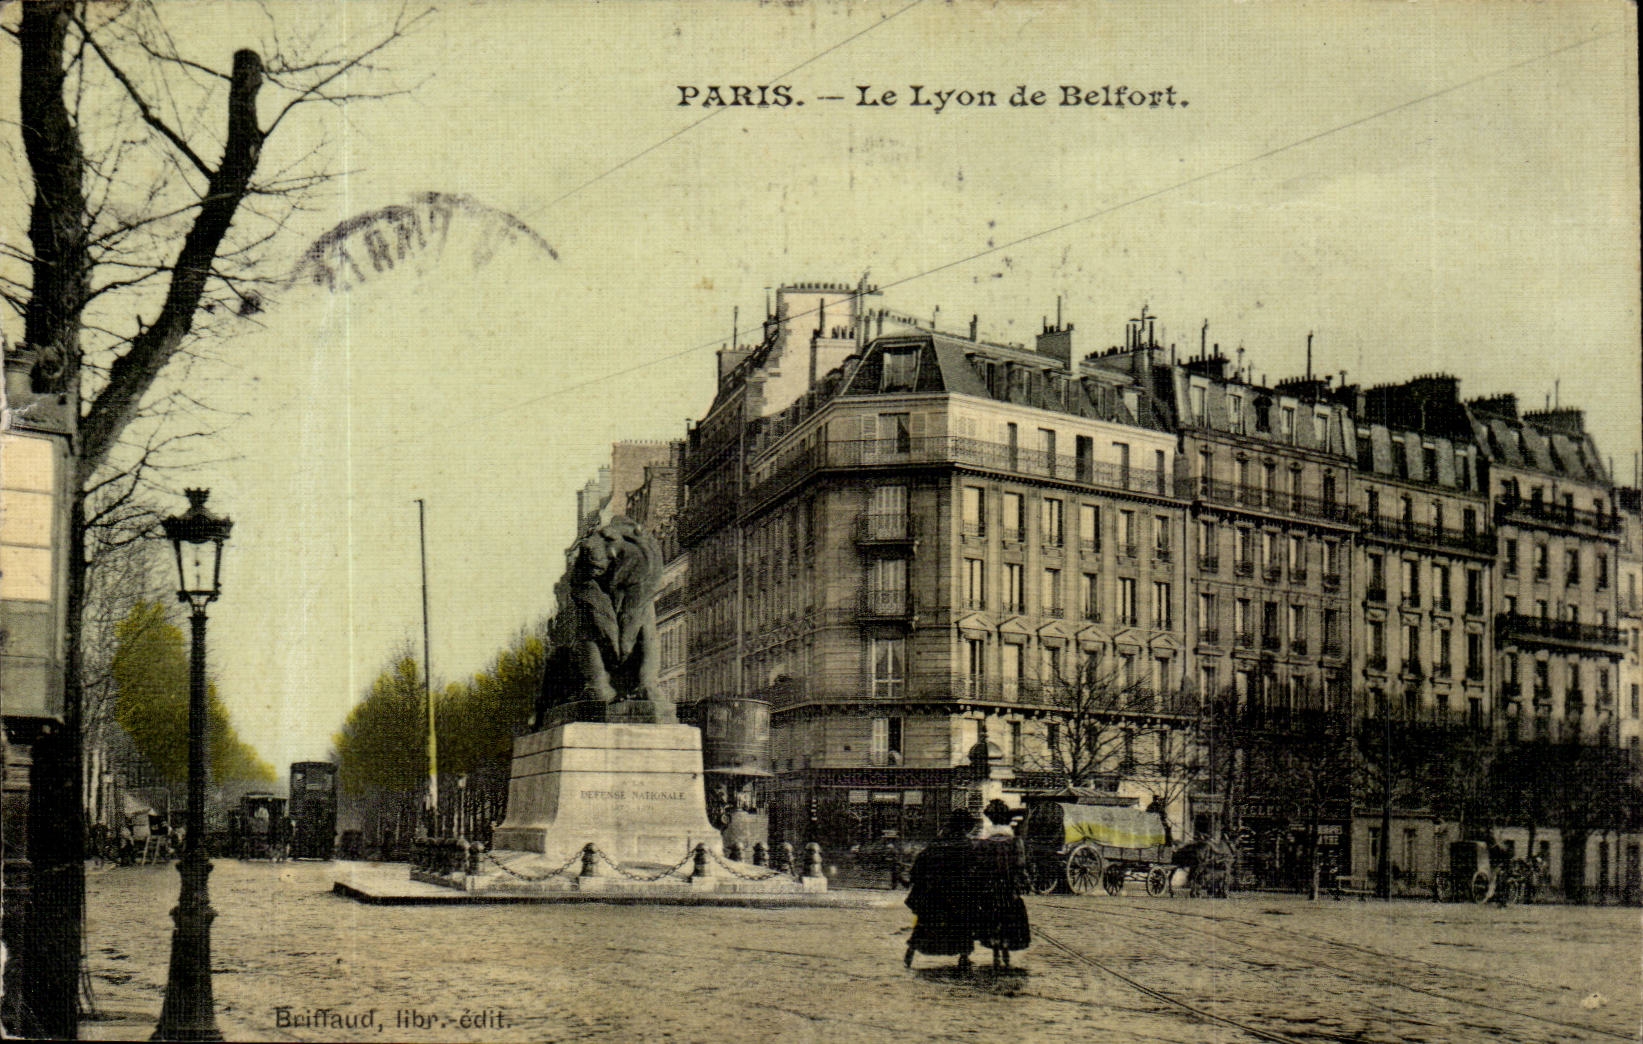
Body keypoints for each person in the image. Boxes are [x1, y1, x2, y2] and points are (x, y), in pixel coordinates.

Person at [905, 810, 983, 971]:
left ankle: (909, 955)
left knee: (925, 925)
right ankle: (963, 957)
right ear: (964, 827)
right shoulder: (967, 846)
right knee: (962, 926)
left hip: (935, 894)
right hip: (959, 894)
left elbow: (920, 865)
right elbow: (976, 870)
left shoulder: (937, 843)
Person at [973, 802, 1030, 969]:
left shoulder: (983, 844)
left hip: (989, 888)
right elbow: (1020, 866)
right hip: (1008, 888)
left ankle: (995, 949)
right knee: (1009, 916)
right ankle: (1005, 946)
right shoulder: (1015, 842)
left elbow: (977, 867)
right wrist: (1023, 882)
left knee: (991, 917)